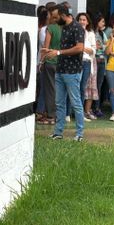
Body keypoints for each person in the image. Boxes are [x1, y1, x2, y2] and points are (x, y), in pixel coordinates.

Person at [44, 12, 87, 142]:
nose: (54, 20)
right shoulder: (65, 28)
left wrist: (58, 52)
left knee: (76, 103)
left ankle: (80, 134)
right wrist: (50, 52)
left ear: (63, 15)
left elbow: (79, 48)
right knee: (59, 103)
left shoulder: (77, 27)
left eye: (56, 17)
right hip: (61, 70)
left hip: (72, 71)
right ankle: (58, 132)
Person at [35, 7, 57, 125]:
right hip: (52, 61)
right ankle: (45, 113)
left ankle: (45, 113)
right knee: (48, 89)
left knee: (46, 89)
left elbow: (45, 47)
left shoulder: (47, 29)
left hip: (48, 61)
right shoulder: (47, 29)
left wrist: (42, 62)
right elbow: (45, 46)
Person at [79, 12, 99, 120]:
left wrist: (82, 49)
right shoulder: (75, 32)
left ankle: (81, 113)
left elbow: (93, 50)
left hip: (87, 62)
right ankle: (68, 113)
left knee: (83, 88)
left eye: (84, 20)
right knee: (74, 87)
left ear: (87, 22)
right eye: (80, 19)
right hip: (76, 62)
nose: (82, 21)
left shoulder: (90, 34)